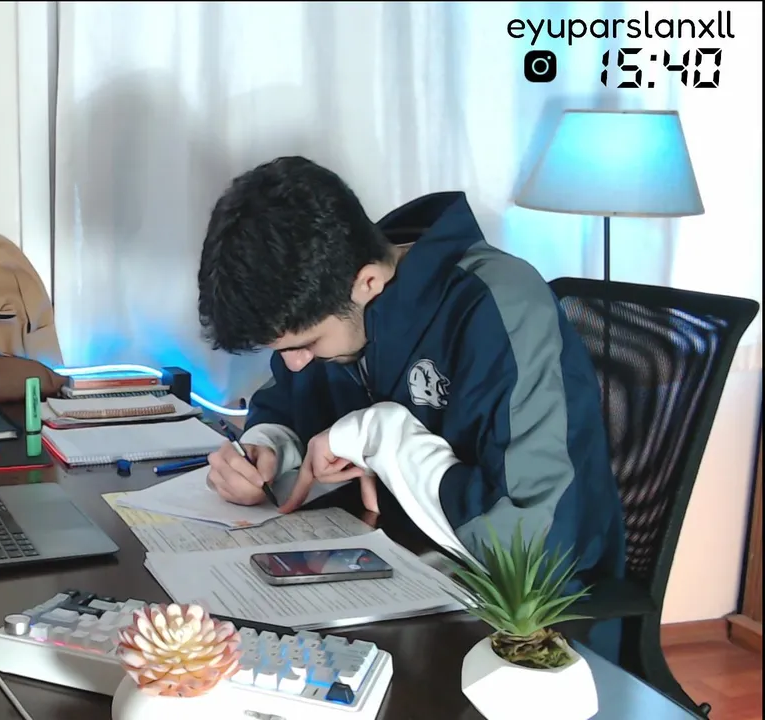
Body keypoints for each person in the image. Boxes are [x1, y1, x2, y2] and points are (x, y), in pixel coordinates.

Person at [196, 156, 625, 595]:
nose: (293, 364)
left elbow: (534, 545)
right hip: (390, 567)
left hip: (528, 610)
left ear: (367, 282)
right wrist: (265, 448)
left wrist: (383, 436)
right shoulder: (329, 291)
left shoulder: (501, 307)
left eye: (305, 344)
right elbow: (285, 401)